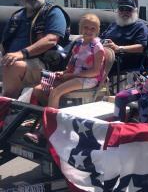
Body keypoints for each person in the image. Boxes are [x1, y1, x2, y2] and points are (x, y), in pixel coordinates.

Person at [24, 14, 105, 145]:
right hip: (74, 76)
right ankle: (56, 115)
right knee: (39, 89)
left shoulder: (97, 47)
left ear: (97, 30)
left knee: (56, 92)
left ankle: (46, 132)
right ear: (80, 28)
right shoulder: (78, 43)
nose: (89, 31)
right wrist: (63, 73)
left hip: (88, 79)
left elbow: (95, 71)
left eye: (93, 28)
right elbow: (71, 66)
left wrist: (72, 75)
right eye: (86, 27)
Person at [0, 0, 69, 98]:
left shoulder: (53, 12)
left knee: (12, 65)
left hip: (43, 64)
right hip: (14, 59)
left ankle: (7, 109)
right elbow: (4, 43)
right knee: (11, 63)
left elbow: (51, 39)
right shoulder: (16, 16)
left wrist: (21, 54)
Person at [101, 0, 148, 73]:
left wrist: (119, 48)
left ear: (134, 11)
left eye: (128, 10)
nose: (124, 12)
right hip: (105, 58)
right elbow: (101, 38)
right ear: (118, 11)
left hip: (124, 65)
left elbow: (141, 47)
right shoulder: (113, 24)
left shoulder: (140, 26)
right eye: (121, 9)